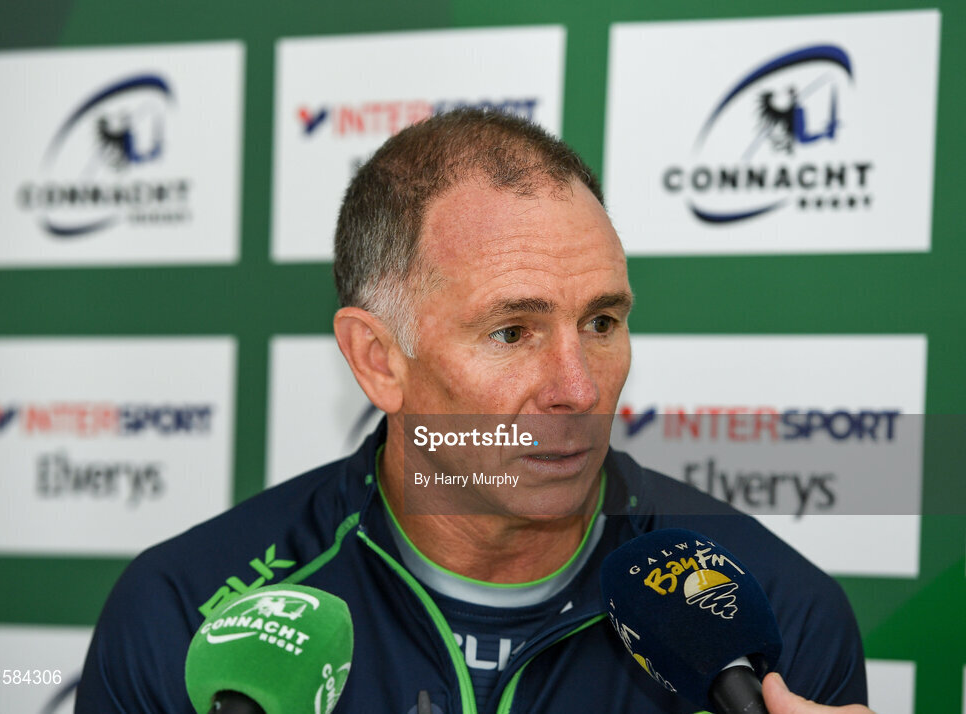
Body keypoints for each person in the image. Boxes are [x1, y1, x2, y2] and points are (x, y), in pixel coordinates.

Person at [76, 109, 870, 713]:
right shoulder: (184, 618)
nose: (578, 389)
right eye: (511, 331)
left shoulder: (773, 619)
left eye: (601, 322)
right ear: (377, 360)